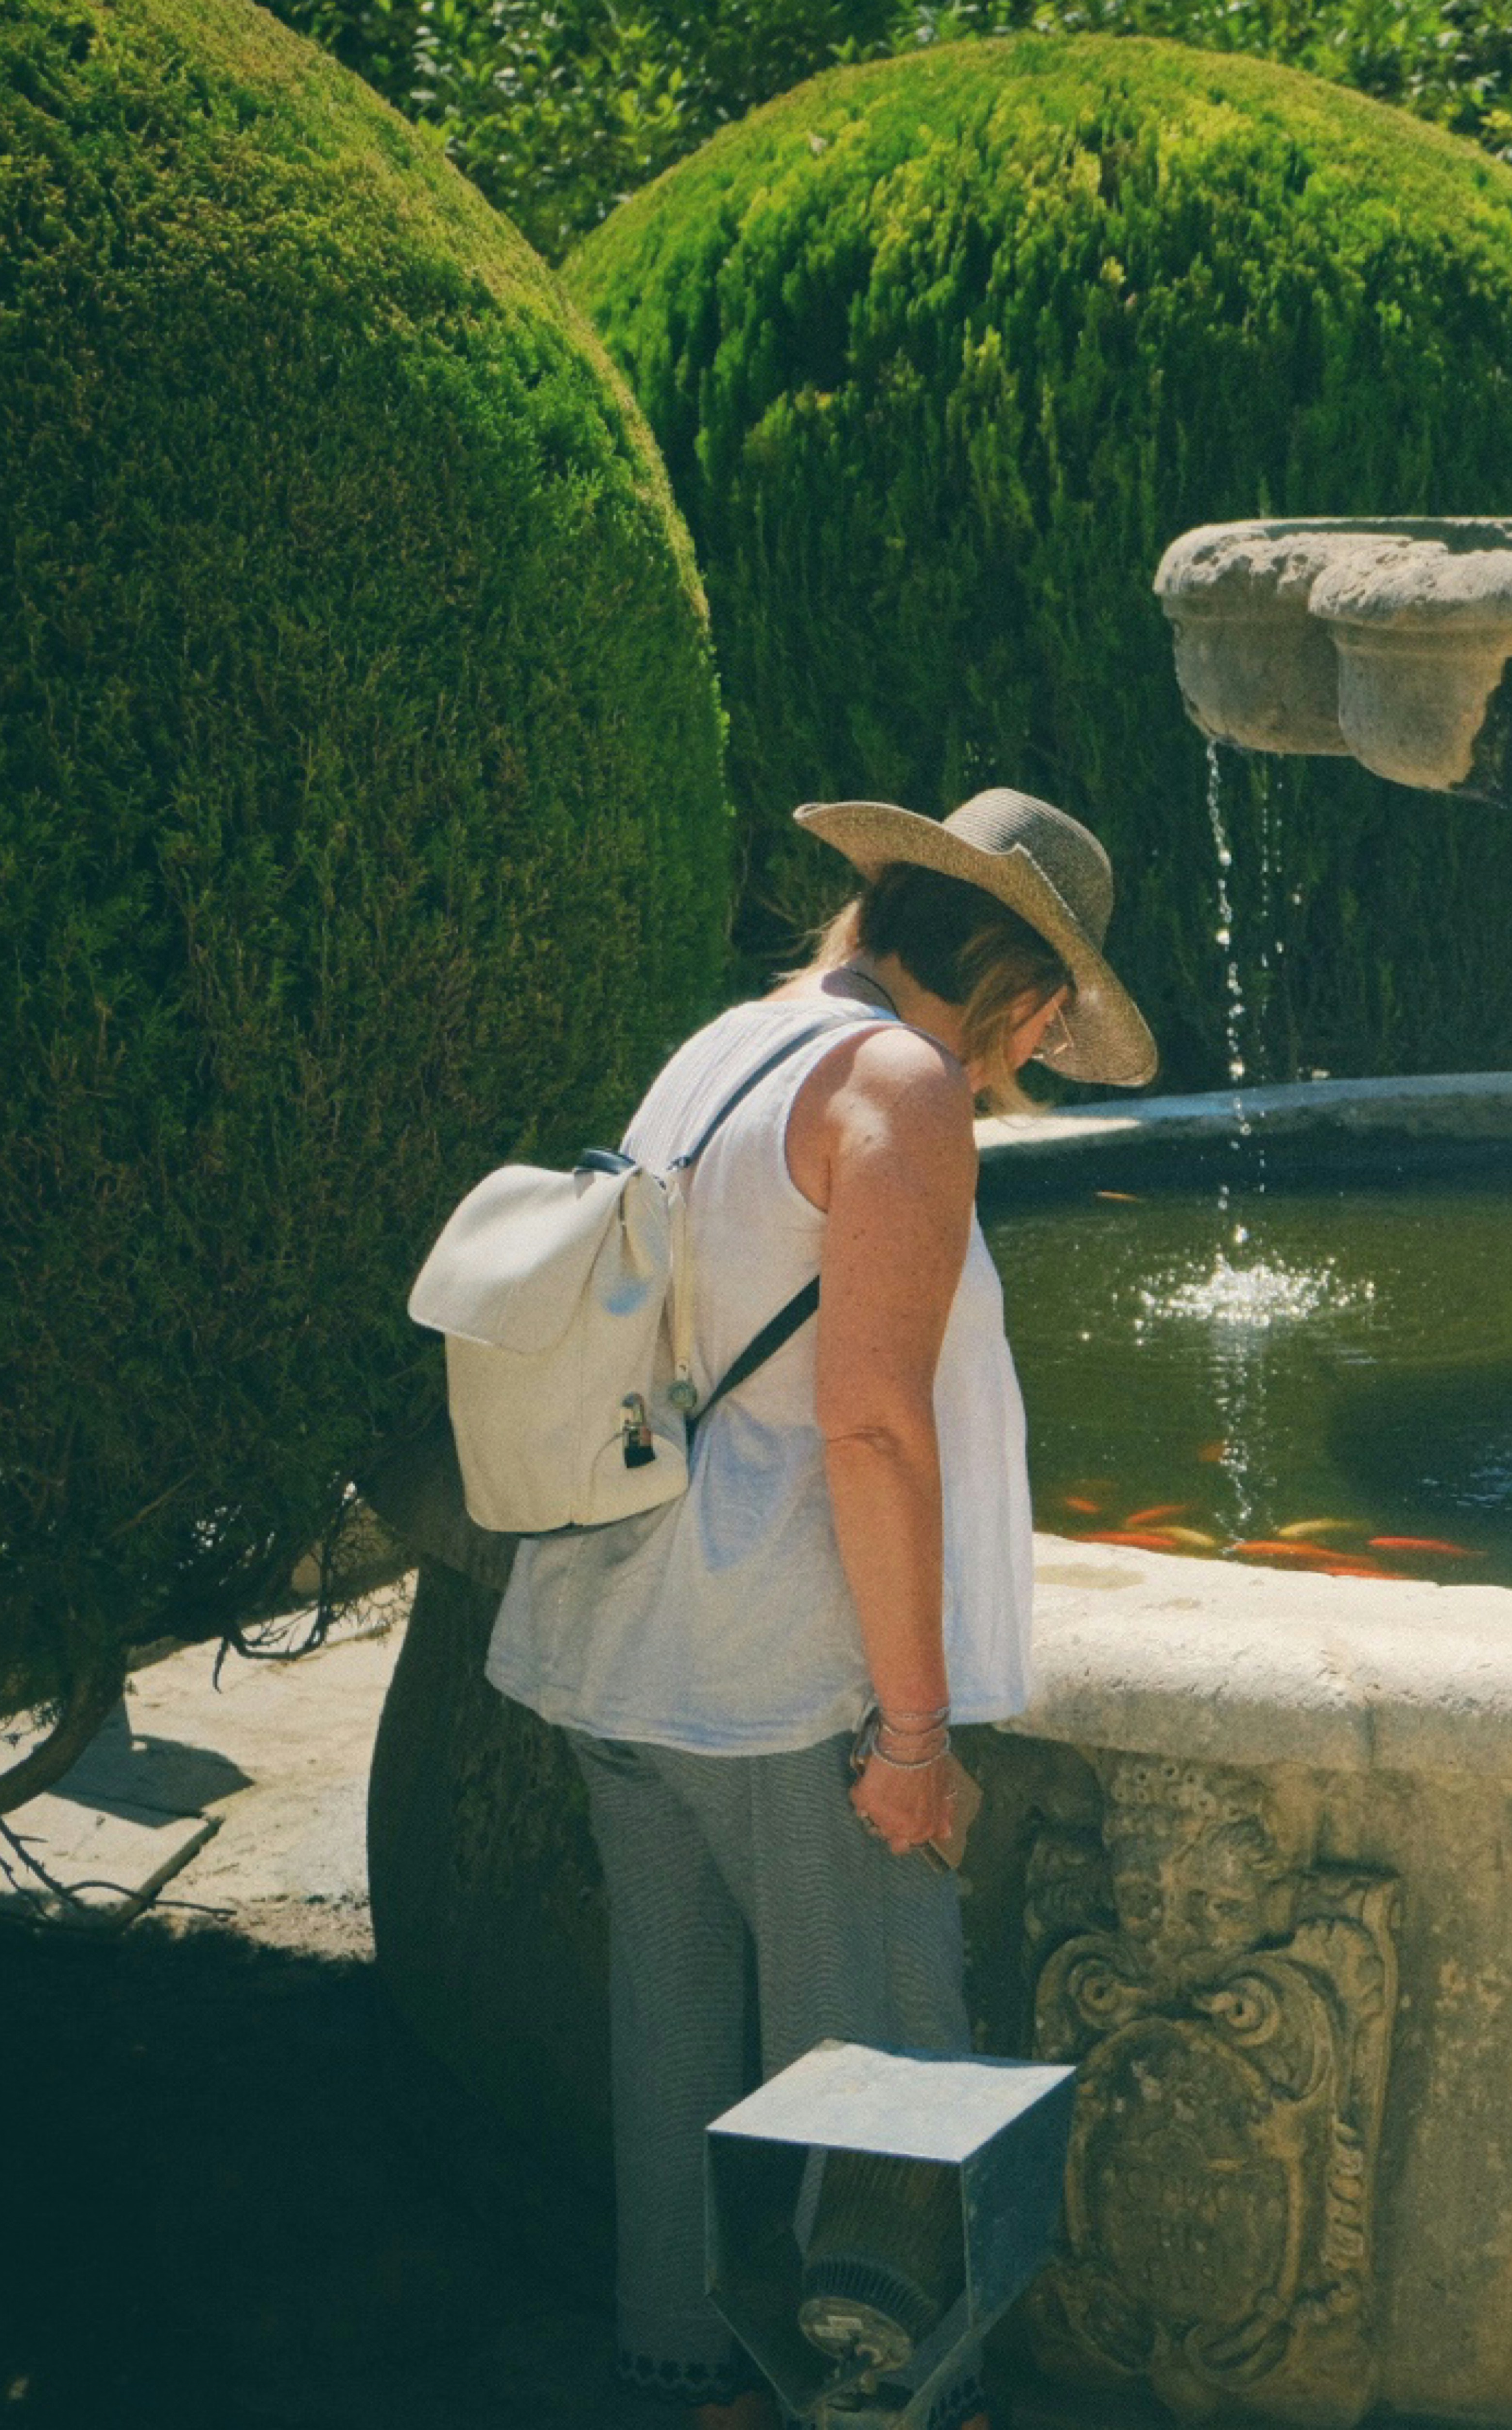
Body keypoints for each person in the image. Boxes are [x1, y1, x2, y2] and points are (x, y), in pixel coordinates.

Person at [479, 788, 1159, 2425]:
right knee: (884, 2078)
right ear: (1028, 986)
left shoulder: (735, 1042)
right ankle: (859, 2409)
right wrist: (914, 1732)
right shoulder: (901, 1085)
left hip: (615, 1622)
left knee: (676, 2035)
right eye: (1047, 1017)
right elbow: (868, 1421)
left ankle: (679, 2375)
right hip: (776, 1669)